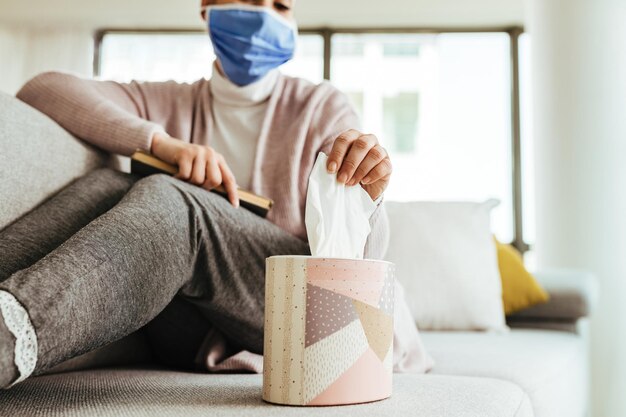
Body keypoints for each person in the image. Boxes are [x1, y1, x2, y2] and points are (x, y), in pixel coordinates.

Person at [0, 0, 432, 388]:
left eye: (280, 4)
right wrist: (159, 143)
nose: (263, 12)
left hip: (313, 315)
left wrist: (364, 197)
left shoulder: (320, 107)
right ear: (208, 6)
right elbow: (42, 90)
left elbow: (357, 269)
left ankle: (7, 339)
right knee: (109, 186)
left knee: (173, 201)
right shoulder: (168, 102)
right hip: (195, 327)